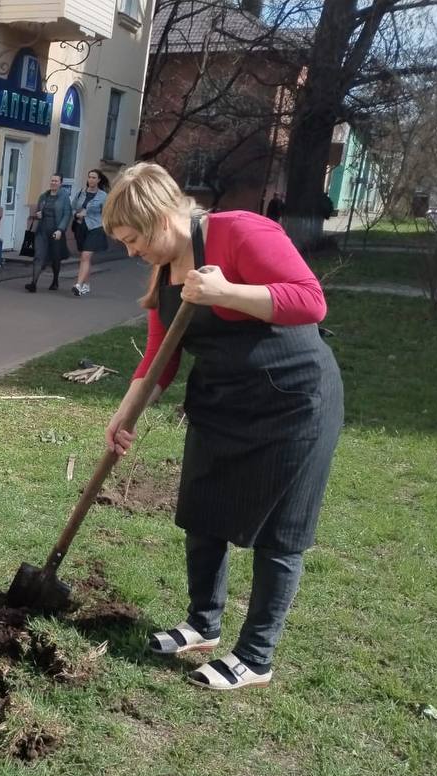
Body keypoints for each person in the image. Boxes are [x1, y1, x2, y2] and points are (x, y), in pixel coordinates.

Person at [101, 162, 343, 692]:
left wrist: (228, 292)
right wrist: (125, 413)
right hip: (223, 403)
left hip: (292, 401)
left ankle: (256, 656)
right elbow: (160, 360)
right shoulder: (165, 270)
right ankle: (201, 625)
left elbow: (309, 300)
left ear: (161, 217)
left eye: (133, 238)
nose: (130, 251)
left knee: (280, 535)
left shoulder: (239, 230)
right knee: (203, 514)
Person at [25, 174, 72, 293]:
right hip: (42, 231)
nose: (53, 183)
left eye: (56, 181)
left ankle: (55, 281)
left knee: (56, 257)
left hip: (56, 231)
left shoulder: (64, 197)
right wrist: (38, 214)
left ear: (60, 183)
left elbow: (67, 214)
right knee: (38, 256)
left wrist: (60, 230)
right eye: (52, 181)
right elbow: (38, 211)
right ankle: (33, 283)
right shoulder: (43, 196)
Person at [71, 168, 110, 296]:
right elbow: (73, 207)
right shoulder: (81, 193)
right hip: (81, 227)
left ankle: (78, 285)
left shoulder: (103, 196)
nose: (91, 180)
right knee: (84, 257)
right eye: (89, 177)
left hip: (95, 228)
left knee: (85, 256)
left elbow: (106, 213)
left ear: (98, 180)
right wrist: (77, 214)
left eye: (94, 177)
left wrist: (89, 213)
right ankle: (86, 285)